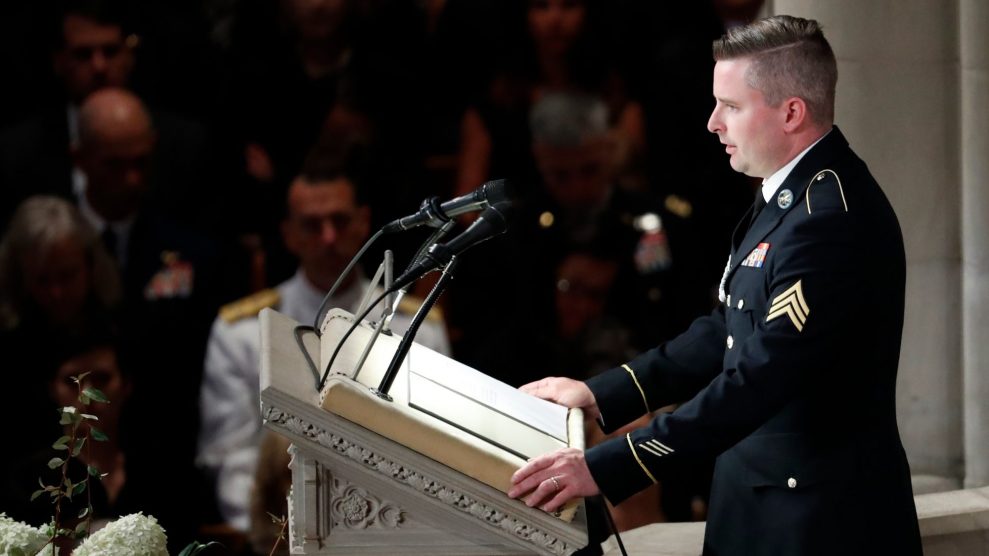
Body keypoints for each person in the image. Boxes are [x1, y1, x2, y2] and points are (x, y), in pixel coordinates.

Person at [509, 15, 922, 555]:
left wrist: (608, 465)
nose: (712, 123)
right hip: (761, 506)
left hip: (814, 525)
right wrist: (598, 392)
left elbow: (759, 379)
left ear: (791, 112)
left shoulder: (829, 218)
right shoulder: (786, 195)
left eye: (730, 105)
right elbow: (727, 328)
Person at [197, 146, 452, 533]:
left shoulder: (417, 324)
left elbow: (437, 447)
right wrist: (278, 531)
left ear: (364, 221)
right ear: (288, 234)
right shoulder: (242, 332)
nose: (329, 237)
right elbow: (232, 456)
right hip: (279, 530)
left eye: (340, 220)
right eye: (312, 225)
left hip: (393, 529)